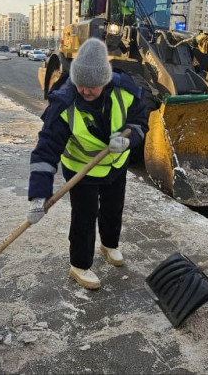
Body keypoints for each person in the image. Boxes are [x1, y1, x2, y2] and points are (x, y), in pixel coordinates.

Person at [27, 38, 148, 290]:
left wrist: (129, 139)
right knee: (84, 215)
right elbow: (46, 149)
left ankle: (109, 244)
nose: (85, 90)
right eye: (80, 83)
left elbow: (140, 120)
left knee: (113, 208)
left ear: (105, 80)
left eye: (92, 86)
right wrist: (39, 196)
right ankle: (79, 266)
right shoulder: (64, 103)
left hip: (115, 164)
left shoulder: (125, 90)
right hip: (81, 169)